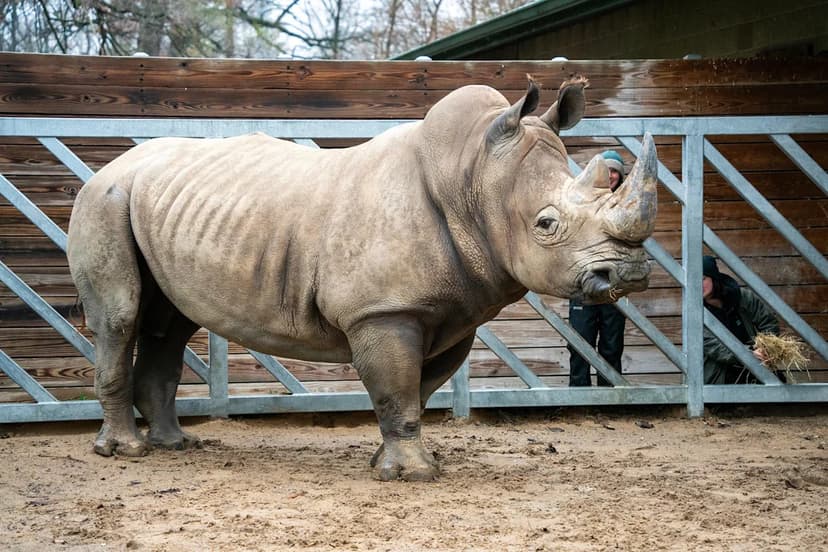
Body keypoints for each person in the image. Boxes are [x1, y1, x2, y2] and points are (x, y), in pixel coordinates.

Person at [568, 150, 627, 386]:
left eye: (615, 171)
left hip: (615, 286)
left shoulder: (627, 202)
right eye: (607, 170)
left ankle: (610, 396)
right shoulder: (581, 199)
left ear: (621, 176)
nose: (611, 175)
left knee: (612, 344)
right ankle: (579, 399)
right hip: (584, 283)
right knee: (580, 342)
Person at [702, 255, 780, 384]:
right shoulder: (694, 311)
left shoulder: (743, 297)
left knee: (779, 382)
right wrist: (749, 354)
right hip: (720, 374)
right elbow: (715, 348)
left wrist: (765, 347)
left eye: (703, 279)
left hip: (756, 363)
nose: (698, 285)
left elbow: (768, 322)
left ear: (713, 278)